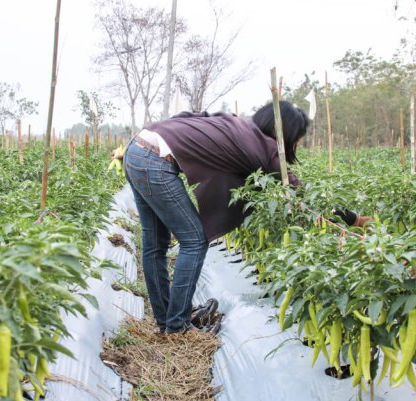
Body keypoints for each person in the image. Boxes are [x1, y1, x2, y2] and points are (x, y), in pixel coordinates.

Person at [118, 100, 368, 334]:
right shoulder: (265, 147)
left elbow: (191, 117)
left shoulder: (237, 124)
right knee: (194, 241)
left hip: (137, 148)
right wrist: (352, 219)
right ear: (288, 134)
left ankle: (167, 321)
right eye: (298, 140)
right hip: (155, 162)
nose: (296, 146)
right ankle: (176, 325)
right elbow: (304, 196)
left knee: (156, 245)